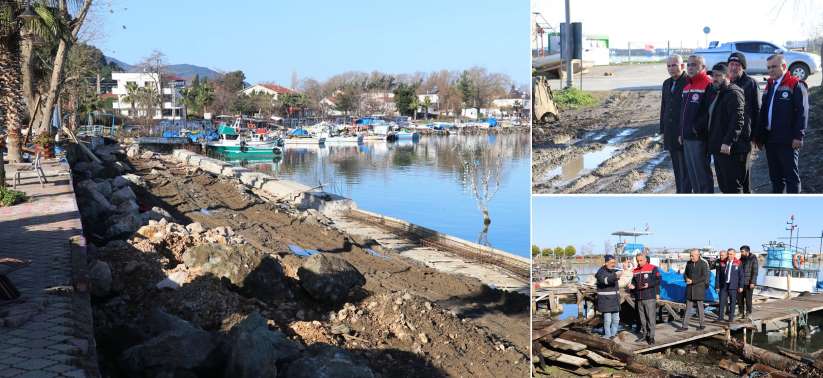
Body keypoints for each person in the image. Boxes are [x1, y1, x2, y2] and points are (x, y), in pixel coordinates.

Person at [756, 54, 809, 193]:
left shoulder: (795, 84)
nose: (770, 70)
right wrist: (760, 136)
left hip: (788, 140)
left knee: (791, 177)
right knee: (775, 177)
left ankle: (793, 208)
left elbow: (802, 113)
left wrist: (799, 136)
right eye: (768, 67)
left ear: (784, 66)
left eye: (774, 66)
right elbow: (764, 112)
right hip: (770, 139)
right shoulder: (770, 85)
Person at [706, 63, 747, 193]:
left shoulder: (733, 93)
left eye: (718, 75)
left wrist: (728, 141)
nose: (714, 78)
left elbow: (738, 121)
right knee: (724, 186)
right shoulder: (717, 92)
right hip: (718, 148)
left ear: (728, 76)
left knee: (732, 187)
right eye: (713, 75)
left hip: (730, 150)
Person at [679, 55, 715, 193]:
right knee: (693, 174)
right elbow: (683, 113)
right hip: (687, 137)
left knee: (701, 174)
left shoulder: (708, 84)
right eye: (689, 65)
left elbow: (709, 112)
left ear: (703, 67)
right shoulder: (688, 85)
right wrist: (681, 132)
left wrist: (695, 129)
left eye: (694, 65)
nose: (690, 67)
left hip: (699, 137)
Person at [727, 52, 760, 193]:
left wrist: (756, 135)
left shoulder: (750, 83)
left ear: (743, 67)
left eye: (737, 65)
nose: (734, 68)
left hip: (744, 136)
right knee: (732, 174)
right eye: (731, 64)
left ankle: (746, 197)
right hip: (728, 135)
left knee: (743, 173)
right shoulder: (727, 82)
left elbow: (757, 110)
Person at [661, 54, 691, 193]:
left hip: (683, 133)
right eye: (669, 66)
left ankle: (684, 193)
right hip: (670, 133)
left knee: (685, 169)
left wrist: (684, 132)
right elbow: (664, 107)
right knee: (677, 168)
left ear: (682, 66)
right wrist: (663, 130)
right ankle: (680, 192)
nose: (671, 68)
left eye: (674, 65)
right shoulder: (666, 83)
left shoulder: (688, 82)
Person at [628, 254, 660, 345]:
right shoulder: (635, 270)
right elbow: (634, 281)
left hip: (649, 297)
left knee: (650, 318)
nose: (639, 262)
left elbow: (658, 280)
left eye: (641, 260)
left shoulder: (653, 268)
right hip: (639, 297)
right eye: (637, 261)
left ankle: (651, 336)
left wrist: (649, 284)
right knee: (642, 318)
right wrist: (632, 286)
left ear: (645, 260)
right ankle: (644, 335)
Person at [678, 249, 709, 331]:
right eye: (690, 255)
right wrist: (686, 279)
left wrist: (693, 281)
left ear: (698, 255)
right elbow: (685, 274)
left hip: (699, 289)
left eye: (692, 255)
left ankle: (702, 325)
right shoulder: (689, 263)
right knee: (688, 308)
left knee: (700, 308)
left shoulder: (703, 264)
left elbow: (704, 276)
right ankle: (684, 326)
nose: (691, 257)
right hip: (690, 289)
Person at [595, 255, 622, 339]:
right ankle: (607, 335)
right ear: (606, 263)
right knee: (607, 320)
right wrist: (615, 276)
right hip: (605, 301)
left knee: (616, 320)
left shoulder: (614, 270)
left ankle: (613, 335)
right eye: (612, 263)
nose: (614, 264)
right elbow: (605, 281)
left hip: (615, 300)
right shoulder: (600, 272)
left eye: (614, 262)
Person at [716, 249, 744, 322]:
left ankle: (730, 318)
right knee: (722, 301)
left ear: (734, 254)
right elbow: (718, 275)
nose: (729, 256)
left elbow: (741, 276)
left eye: (731, 254)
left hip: (733, 286)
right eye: (728, 254)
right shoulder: (723, 263)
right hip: (724, 285)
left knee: (732, 302)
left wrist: (741, 286)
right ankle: (720, 317)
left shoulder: (738, 263)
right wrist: (717, 286)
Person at [738, 245, 758, 318]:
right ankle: (741, 313)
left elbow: (755, 271)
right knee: (740, 299)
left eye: (742, 251)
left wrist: (753, 282)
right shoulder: (741, 259)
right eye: (741, 251)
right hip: (741, 283)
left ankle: (748, 312)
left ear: (747, 251)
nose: (741, 253)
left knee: (748, 299)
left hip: (749, 283)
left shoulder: (753, 259)